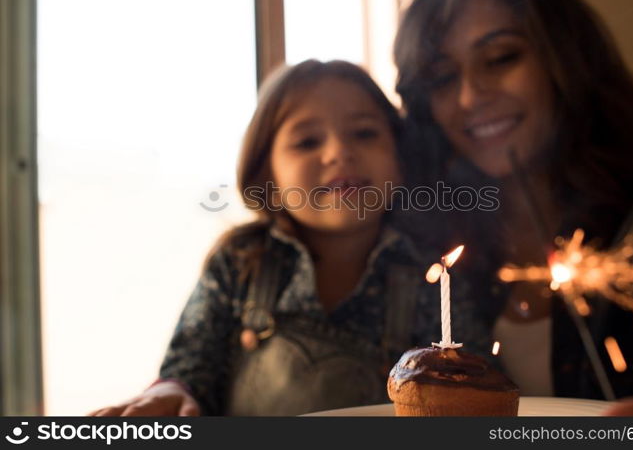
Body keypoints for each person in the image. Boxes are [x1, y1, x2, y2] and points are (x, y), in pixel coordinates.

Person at [393, 0, 633, 415]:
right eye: (441, 77)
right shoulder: (426, 236)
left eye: (500, 58)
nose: (471, 95)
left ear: (564, 59)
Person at [89, 59, 479, 416]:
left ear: (401, 159)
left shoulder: (432, 274)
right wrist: (171, 393)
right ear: (269, 179)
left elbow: (480, 388)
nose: (339, 152)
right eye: (307, 141)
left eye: (363, 133)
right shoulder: (241, 261)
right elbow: (191, 370)